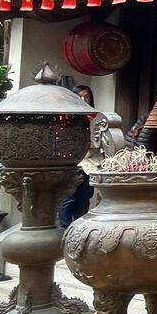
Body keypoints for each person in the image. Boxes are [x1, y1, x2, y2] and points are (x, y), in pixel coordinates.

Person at [57, 85, 96, 228]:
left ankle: (79, 231)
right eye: (79, 96)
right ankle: (64, 230)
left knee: (84, 199)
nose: (83, 99)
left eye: (86, 96)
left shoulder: (95, 117)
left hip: (90, 163)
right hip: (70, 163)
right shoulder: (65, 117)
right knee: (67, 200)